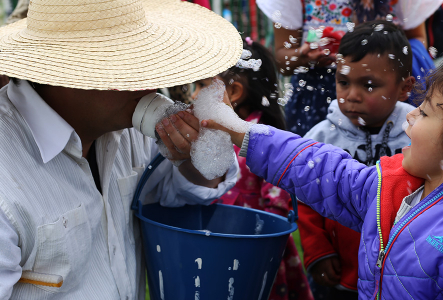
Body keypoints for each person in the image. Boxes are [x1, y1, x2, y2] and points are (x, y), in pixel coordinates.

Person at [202, 32, 443, 299]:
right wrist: (241, 131)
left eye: (424, 114)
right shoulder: (399, 186)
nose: (409, 118)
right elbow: (321, 169)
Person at [0, 0, 242, 298]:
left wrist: (197, 153)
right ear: (63, 69)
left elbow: (184, 193)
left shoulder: (127, 129)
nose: (152, 81)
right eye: (129, 62)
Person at [297, 20, 414, 300]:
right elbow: (304, 198)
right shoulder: (321, 138)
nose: (351, 95)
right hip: (339, 274)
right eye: (343, 82)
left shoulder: (417, 135)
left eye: (369, 85)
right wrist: (317, 250)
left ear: (403, 88)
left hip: (404, 273)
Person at [195, 38, 314, 300]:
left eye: (201, 85)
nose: (193, 95)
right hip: (222, 238)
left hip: (254, 245)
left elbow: (278, 199)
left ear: (234, 92)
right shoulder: (216, 133)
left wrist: (264, 238)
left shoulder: (260, 137)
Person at [256, 0, 442, 135]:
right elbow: (283, 60)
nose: (353, 95)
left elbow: (417, 42)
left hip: (384, 93)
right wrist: (304, 57)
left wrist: (384, 58)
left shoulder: (404, 132)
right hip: (318, 96)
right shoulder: (320, 134)